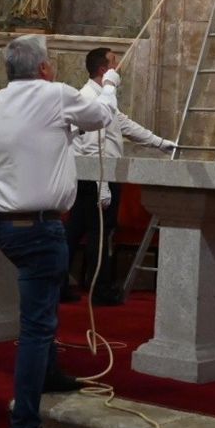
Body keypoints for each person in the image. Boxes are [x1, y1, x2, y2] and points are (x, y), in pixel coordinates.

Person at [0, 34, 117, 428]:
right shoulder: (56, 94)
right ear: (43, 68)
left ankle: (50, 373)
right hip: (37, 228)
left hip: (2, 222)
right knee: (36, 327)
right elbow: (102, 116)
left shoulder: (0, 99)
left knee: (42, 309)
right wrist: (111, 82)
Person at [64, 46, 177, 305]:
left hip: (96, 177)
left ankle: (62, 283)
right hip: (96, 178)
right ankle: (99, 290)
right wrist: (102, 186)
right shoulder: (89, 100)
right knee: (99, 234)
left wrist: (159, 142)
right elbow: (94, 147)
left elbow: (123, 123)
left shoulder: (103, 99)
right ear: (104, 70)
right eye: (115, 62)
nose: (119, 67)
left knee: (77, 230)